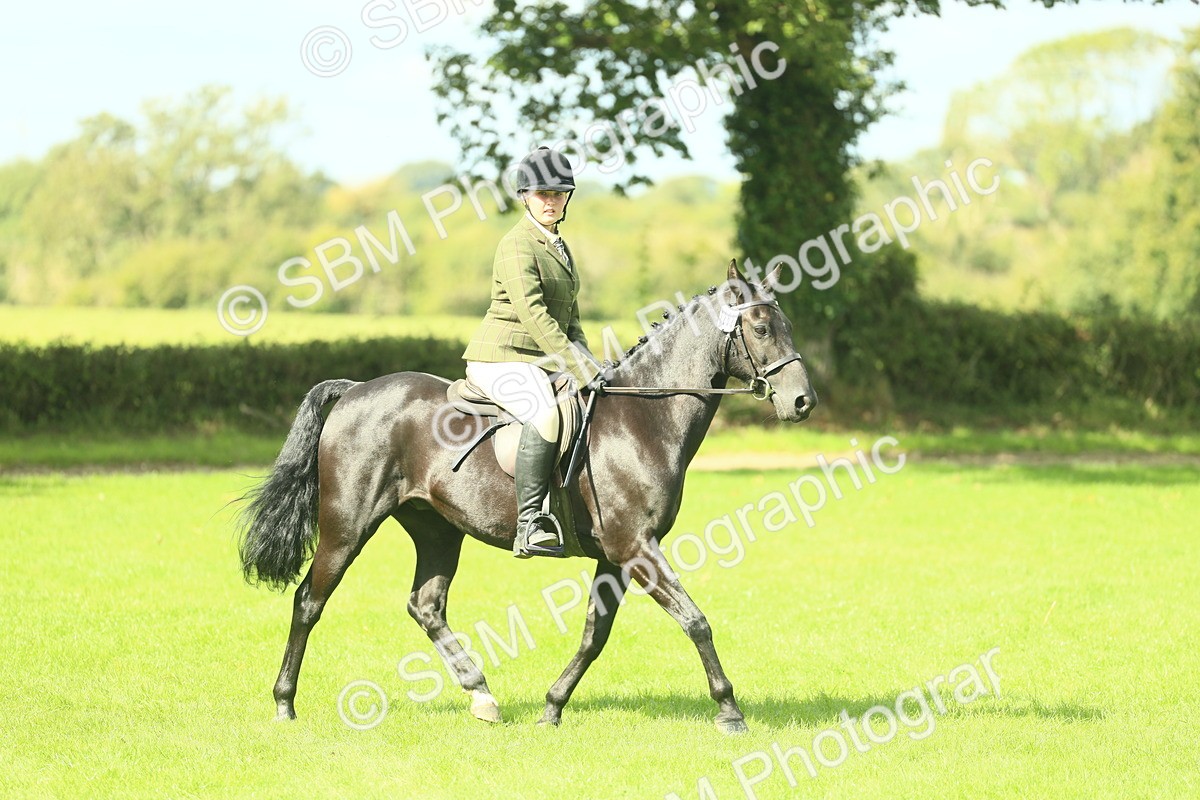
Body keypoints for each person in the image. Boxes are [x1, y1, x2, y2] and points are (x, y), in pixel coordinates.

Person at [462, 146, 607, 558]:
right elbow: (535, 316)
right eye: (543, 194)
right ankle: (530, 524)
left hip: (538, 361)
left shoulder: (558, 245)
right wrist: (578, 369)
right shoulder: (516, 244)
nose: (551, 201)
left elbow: (570, 320)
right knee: (545, 412)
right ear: (525, 196)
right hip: (501, 357)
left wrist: (592, 365)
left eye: (559, 194)